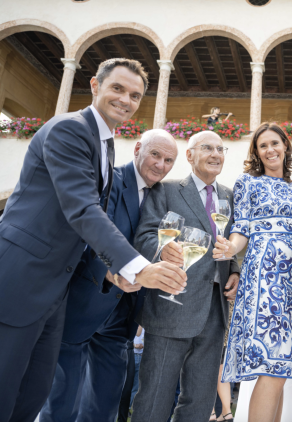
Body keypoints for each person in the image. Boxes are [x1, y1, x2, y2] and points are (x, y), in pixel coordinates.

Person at [0, 58, 186, 422]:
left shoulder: (105, 143)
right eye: (117, 88)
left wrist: (114, 272)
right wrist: (137, 268)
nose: (126, 100)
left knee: (31, 395)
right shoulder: (69, 129)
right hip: (22, 277)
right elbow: (83, 209)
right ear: (95, 86)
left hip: (55, 290)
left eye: (135, 95)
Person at [41, 129, 179, 422]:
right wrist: (110, 273)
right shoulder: (108, 181)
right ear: (138, 149)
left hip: (123, 313)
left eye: (169, 160)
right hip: (83, 301)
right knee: (61, 404)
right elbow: (86, 235)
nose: (161, 165)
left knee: (104, 406)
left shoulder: (163, 195)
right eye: (155, 155)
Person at [132, 131, 241, 421]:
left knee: (200, 400)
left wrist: (234, 270)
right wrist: (163, 249)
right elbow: (144, 236)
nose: (216, 154)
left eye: (220, 148)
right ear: (190, 155)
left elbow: (231, 242)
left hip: (215, 308)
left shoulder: (229, 195)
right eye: (207, 148)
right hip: (171, 304)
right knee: (155, 395)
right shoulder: (166, 190)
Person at [213, 123, 292, 422]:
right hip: (265, 280)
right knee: (271, 366)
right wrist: (231, 249)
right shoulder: (248, 183)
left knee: (281, 369)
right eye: (263, 146)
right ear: (257, 153)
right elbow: (241, 227)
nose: (270, 150)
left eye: (275, 143)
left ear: (285, 145)